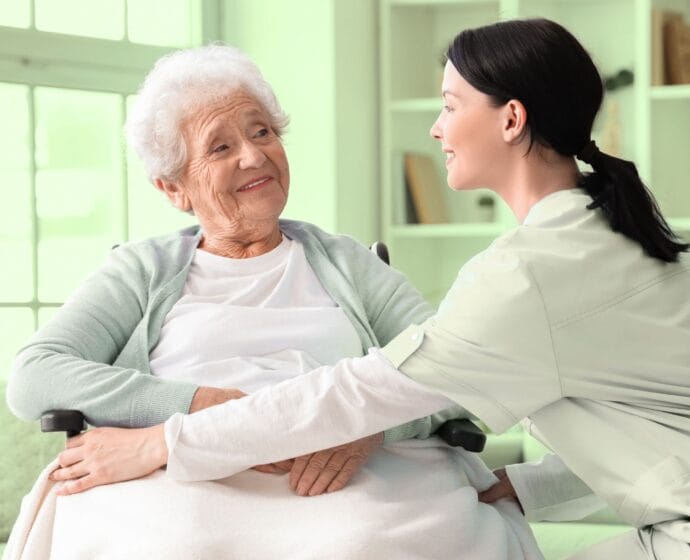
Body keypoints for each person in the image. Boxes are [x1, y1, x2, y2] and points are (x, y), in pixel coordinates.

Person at [21, 19, 690, 560]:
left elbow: (378, 389)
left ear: (511, 119)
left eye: (449, 105)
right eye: (220, 147)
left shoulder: (526, 273)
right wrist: (527, 486)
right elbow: (686, 422)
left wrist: (164, 440)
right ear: (172, 186)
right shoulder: (625, 238)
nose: (434, 128)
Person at [4, 45, 541, 559]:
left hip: (340, 476)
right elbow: (35, 376)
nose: (254, 155)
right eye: (220, 147)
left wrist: (370, 425)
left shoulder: (349, 264)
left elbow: (455, 371)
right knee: (172, 547)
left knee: (366, 543)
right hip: (183, 476)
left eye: (262, 132)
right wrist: (201, 405)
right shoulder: (141, 271)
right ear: (173, 188)